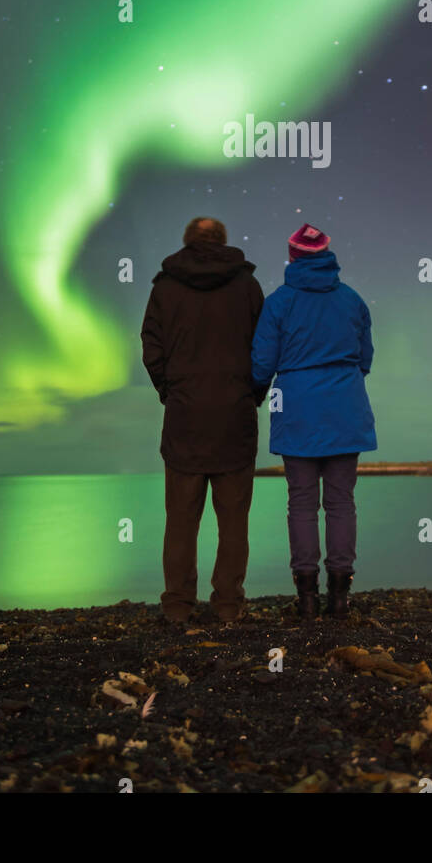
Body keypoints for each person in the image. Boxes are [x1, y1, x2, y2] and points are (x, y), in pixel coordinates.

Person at [141, 217, 265, 623]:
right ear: (223, 241)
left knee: (180, 519)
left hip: (185, 418)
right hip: (234, 417)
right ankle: (228, 603)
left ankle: (177, 604)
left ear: (186, 240)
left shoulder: (165, 287)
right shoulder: (246, 286)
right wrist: (251, 393)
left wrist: (171, 392)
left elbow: (151, 347)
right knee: (233, 521)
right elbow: (265, 348)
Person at [251, 224, 376, 619]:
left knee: (301, 504)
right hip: (345, 408)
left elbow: (261, 364)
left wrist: (263, 387)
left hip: (297, 409)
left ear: (292, 256)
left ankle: (306, 599)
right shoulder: (352, 300)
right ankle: (340, 598)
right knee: (342, 503)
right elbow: (365, 358)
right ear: (326, 254)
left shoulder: (279, 302)